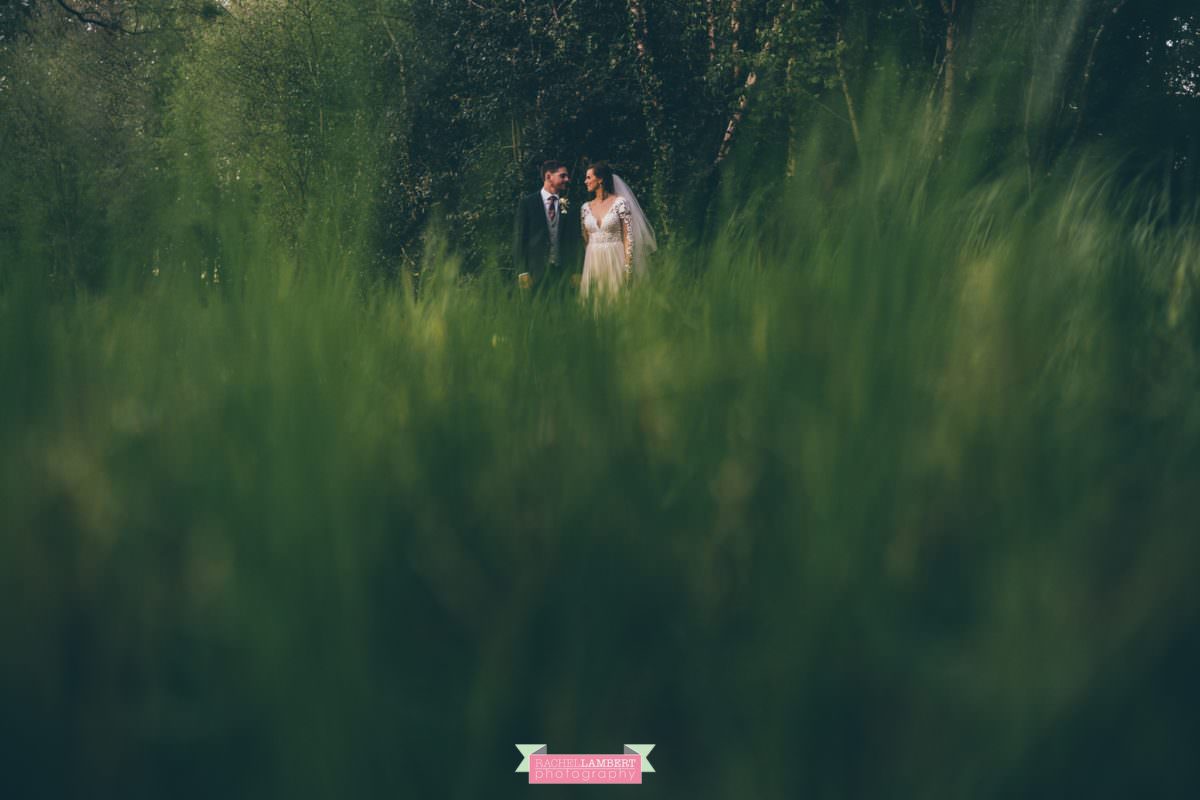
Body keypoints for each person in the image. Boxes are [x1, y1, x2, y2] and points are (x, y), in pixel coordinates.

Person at [580, 162, 656, 300]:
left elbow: (628, 237)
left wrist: (628, 267)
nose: (585, 181)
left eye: (589, 177)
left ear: (600, 179)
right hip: (593, 261)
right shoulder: (585, 208)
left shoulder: (620, 203)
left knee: (615, 300)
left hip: (615, 258)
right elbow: (585, 238)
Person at [512, 160, 582, 293]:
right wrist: (522, 271)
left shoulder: (570, 205)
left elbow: (575, 241)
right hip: (535, 273)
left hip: (564, 274)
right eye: (562, 176)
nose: (567, 179)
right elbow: (520, 239)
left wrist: (576, 271)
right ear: (548, 176)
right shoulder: (527, 203)